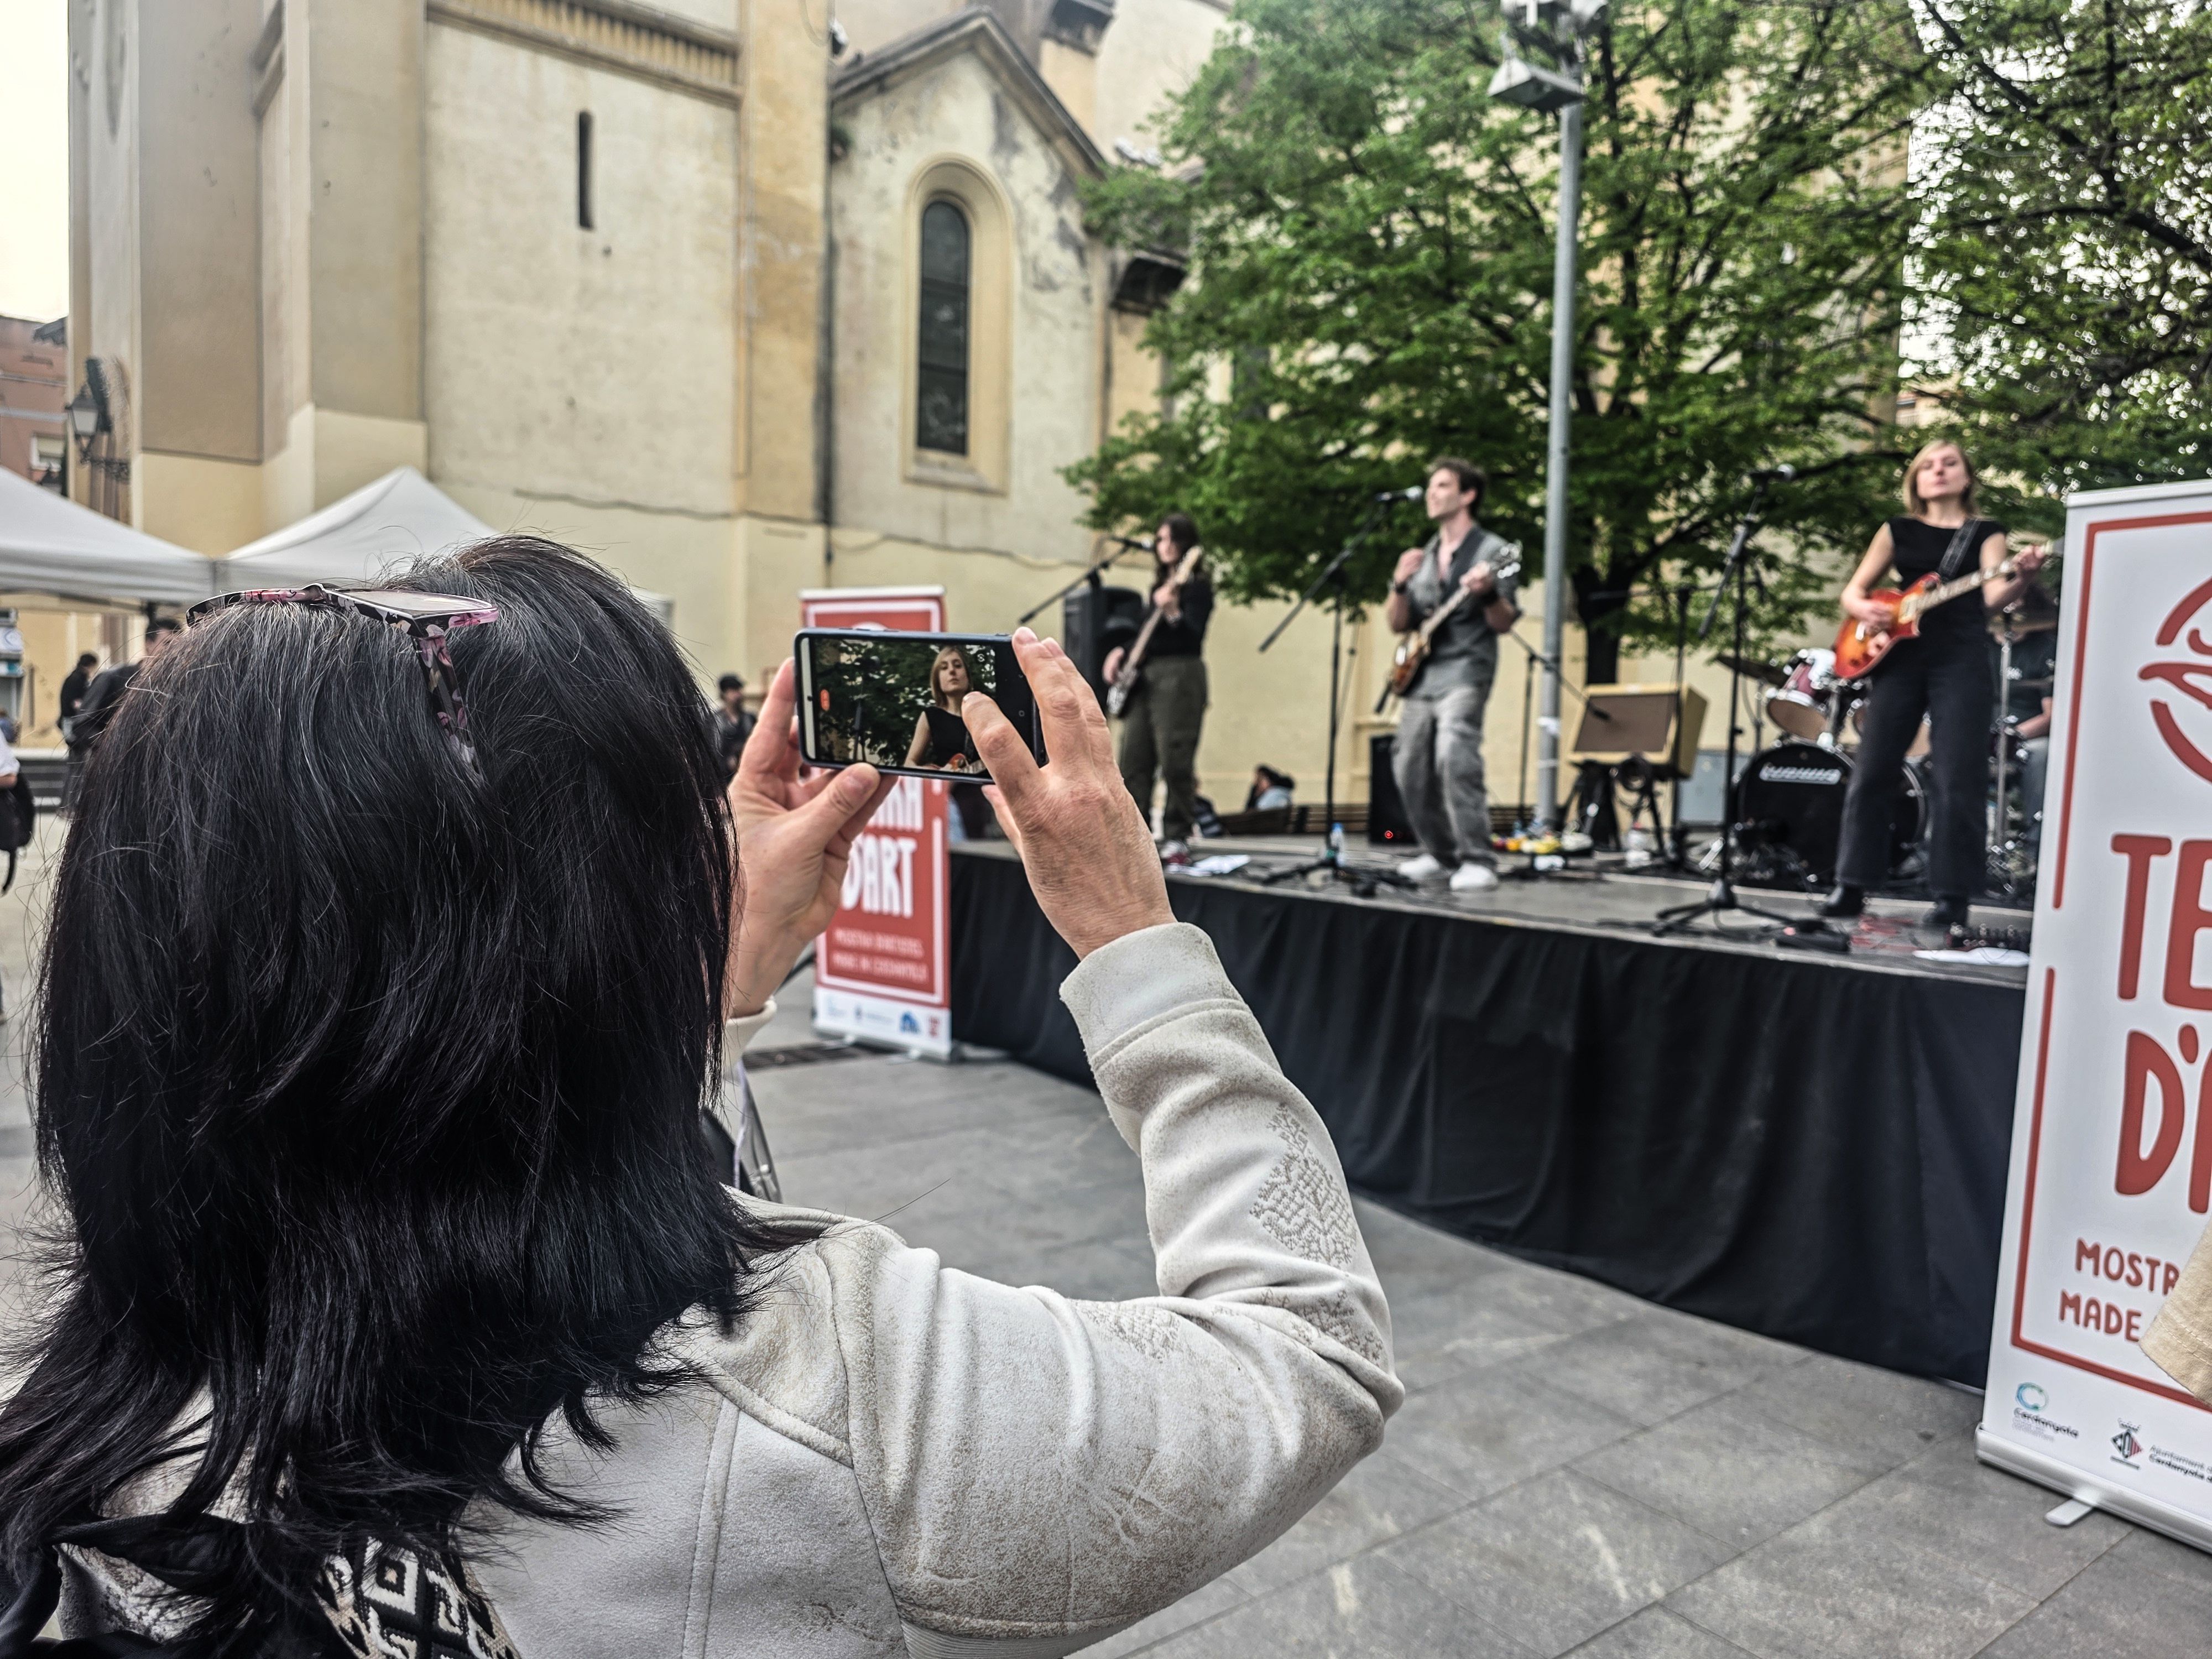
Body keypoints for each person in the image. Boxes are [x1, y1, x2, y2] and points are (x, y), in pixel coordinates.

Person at [0, 538, 1397, 1657]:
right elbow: (1303, 1352)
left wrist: (706, 992)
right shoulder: (834, 1393)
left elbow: (464, 1141)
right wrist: (1133, 942)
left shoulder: (119, 1393)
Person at [1821, 441, 2046, 931]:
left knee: (1956, 776)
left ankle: (1951, 895)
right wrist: (1865, 609)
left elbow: (1991, 597)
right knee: (1873, 770)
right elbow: (1853, 591)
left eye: (1949, 464)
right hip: (1899, 659)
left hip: (1961, 658)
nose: (1938, 471)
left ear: (1966, 477)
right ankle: (1851, 885)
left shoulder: (1987, 533)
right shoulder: (1896, 529)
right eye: (1928, 465)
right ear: (1916, 480)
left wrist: (2022, 579)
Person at [1386, 457, 1520, 894]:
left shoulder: (1494, 551)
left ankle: (1478, 858)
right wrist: (1399, 585)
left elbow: (1504, 622)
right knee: (1407, 764)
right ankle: (1440, 853)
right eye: (1431, 486)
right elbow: (1398, 624)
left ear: (1468, 495)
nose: (1432, 493)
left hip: (1466, 667)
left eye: (1442, 485)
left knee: (1454, 753)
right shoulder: (1423, 555)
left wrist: (1489, 594)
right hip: (1423, 675)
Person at [1104, 512, 1212, 866]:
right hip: (1145, 677)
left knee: (1174, 757)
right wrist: (1120, 652)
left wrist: (1174, 612)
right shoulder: (1156, 587)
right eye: (1159, 539)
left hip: (1179, 674)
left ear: (1184, 545)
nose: (1162, 546)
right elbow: (1144, 636)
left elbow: (1192, 635)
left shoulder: (1195, 587)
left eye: (1169, 539)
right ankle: (1132, 835)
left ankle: (1177, 835)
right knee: (1133, 758)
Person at [70, 617, 181, 752]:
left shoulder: (177, 684)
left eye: (179, 646)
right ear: (149, 644)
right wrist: (113, 751)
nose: (174, 651)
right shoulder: (114, 678)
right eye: (167, 644)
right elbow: (82, 725)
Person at [902, 644, 982, 773]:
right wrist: (930, 773)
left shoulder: (982, 715)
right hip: (945, 789)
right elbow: (909, 764)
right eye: (944, 668)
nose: (952, 671)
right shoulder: (931, 716)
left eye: (958, 666)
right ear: (937, 681)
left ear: (968, 677)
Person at [59, 651, 100, 811]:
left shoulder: (73, 677)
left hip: (69, 725)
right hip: (75, 726)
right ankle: (70, 805)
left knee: (74, 765)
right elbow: (77, 704)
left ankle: (67, 805)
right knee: (77, 766)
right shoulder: (78, 680)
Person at [711, 672, 756, 776]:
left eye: (739, 690)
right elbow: (713, 752)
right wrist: (727, 762)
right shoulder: (715, 721)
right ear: (724, 694)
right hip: (724, 776)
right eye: (734, 690)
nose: (738, 694)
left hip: (747, 773)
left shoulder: (749, 719)